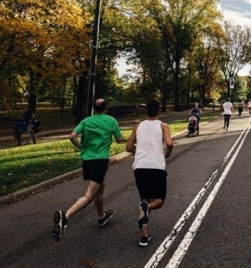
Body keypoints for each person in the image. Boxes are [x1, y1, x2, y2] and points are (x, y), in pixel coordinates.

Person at [51, 98, 123, 242]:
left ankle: (101, 217)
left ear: (94, 109)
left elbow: (72, 136)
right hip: (100, 161)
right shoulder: (111, 120)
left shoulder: (86, 121)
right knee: (89, 194)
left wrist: (81, 147)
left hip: (87, 160)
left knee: (100, 188)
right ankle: (66, 217)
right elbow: (119, 140)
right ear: (106, 108)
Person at [125, 99, 174, 247]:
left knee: (144, 199)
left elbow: (128, 147)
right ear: (159, 111)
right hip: (156, 167)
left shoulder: (138, 126)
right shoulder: (163, 126)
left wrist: (139, 151)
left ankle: (144, 236)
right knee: (159, 200)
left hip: (139, 167)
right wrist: (167, 153)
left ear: (147, 111)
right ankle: (148, 209)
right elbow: (169, 143)